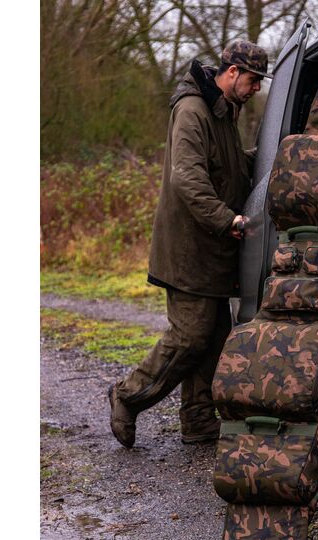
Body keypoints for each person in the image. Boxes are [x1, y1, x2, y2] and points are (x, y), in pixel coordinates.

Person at [108, 41, 271, 448]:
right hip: (188, 249)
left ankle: (198, 420)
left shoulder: (223, 111)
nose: (256, 89)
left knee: (214, 338)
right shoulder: (193, 110)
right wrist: (227, 219)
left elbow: (230, 166)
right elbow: (187, 178)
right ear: (232, 72)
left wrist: (272, 156)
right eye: (253, 80)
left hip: (212, 250)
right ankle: (127, 395)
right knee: (191, 335)